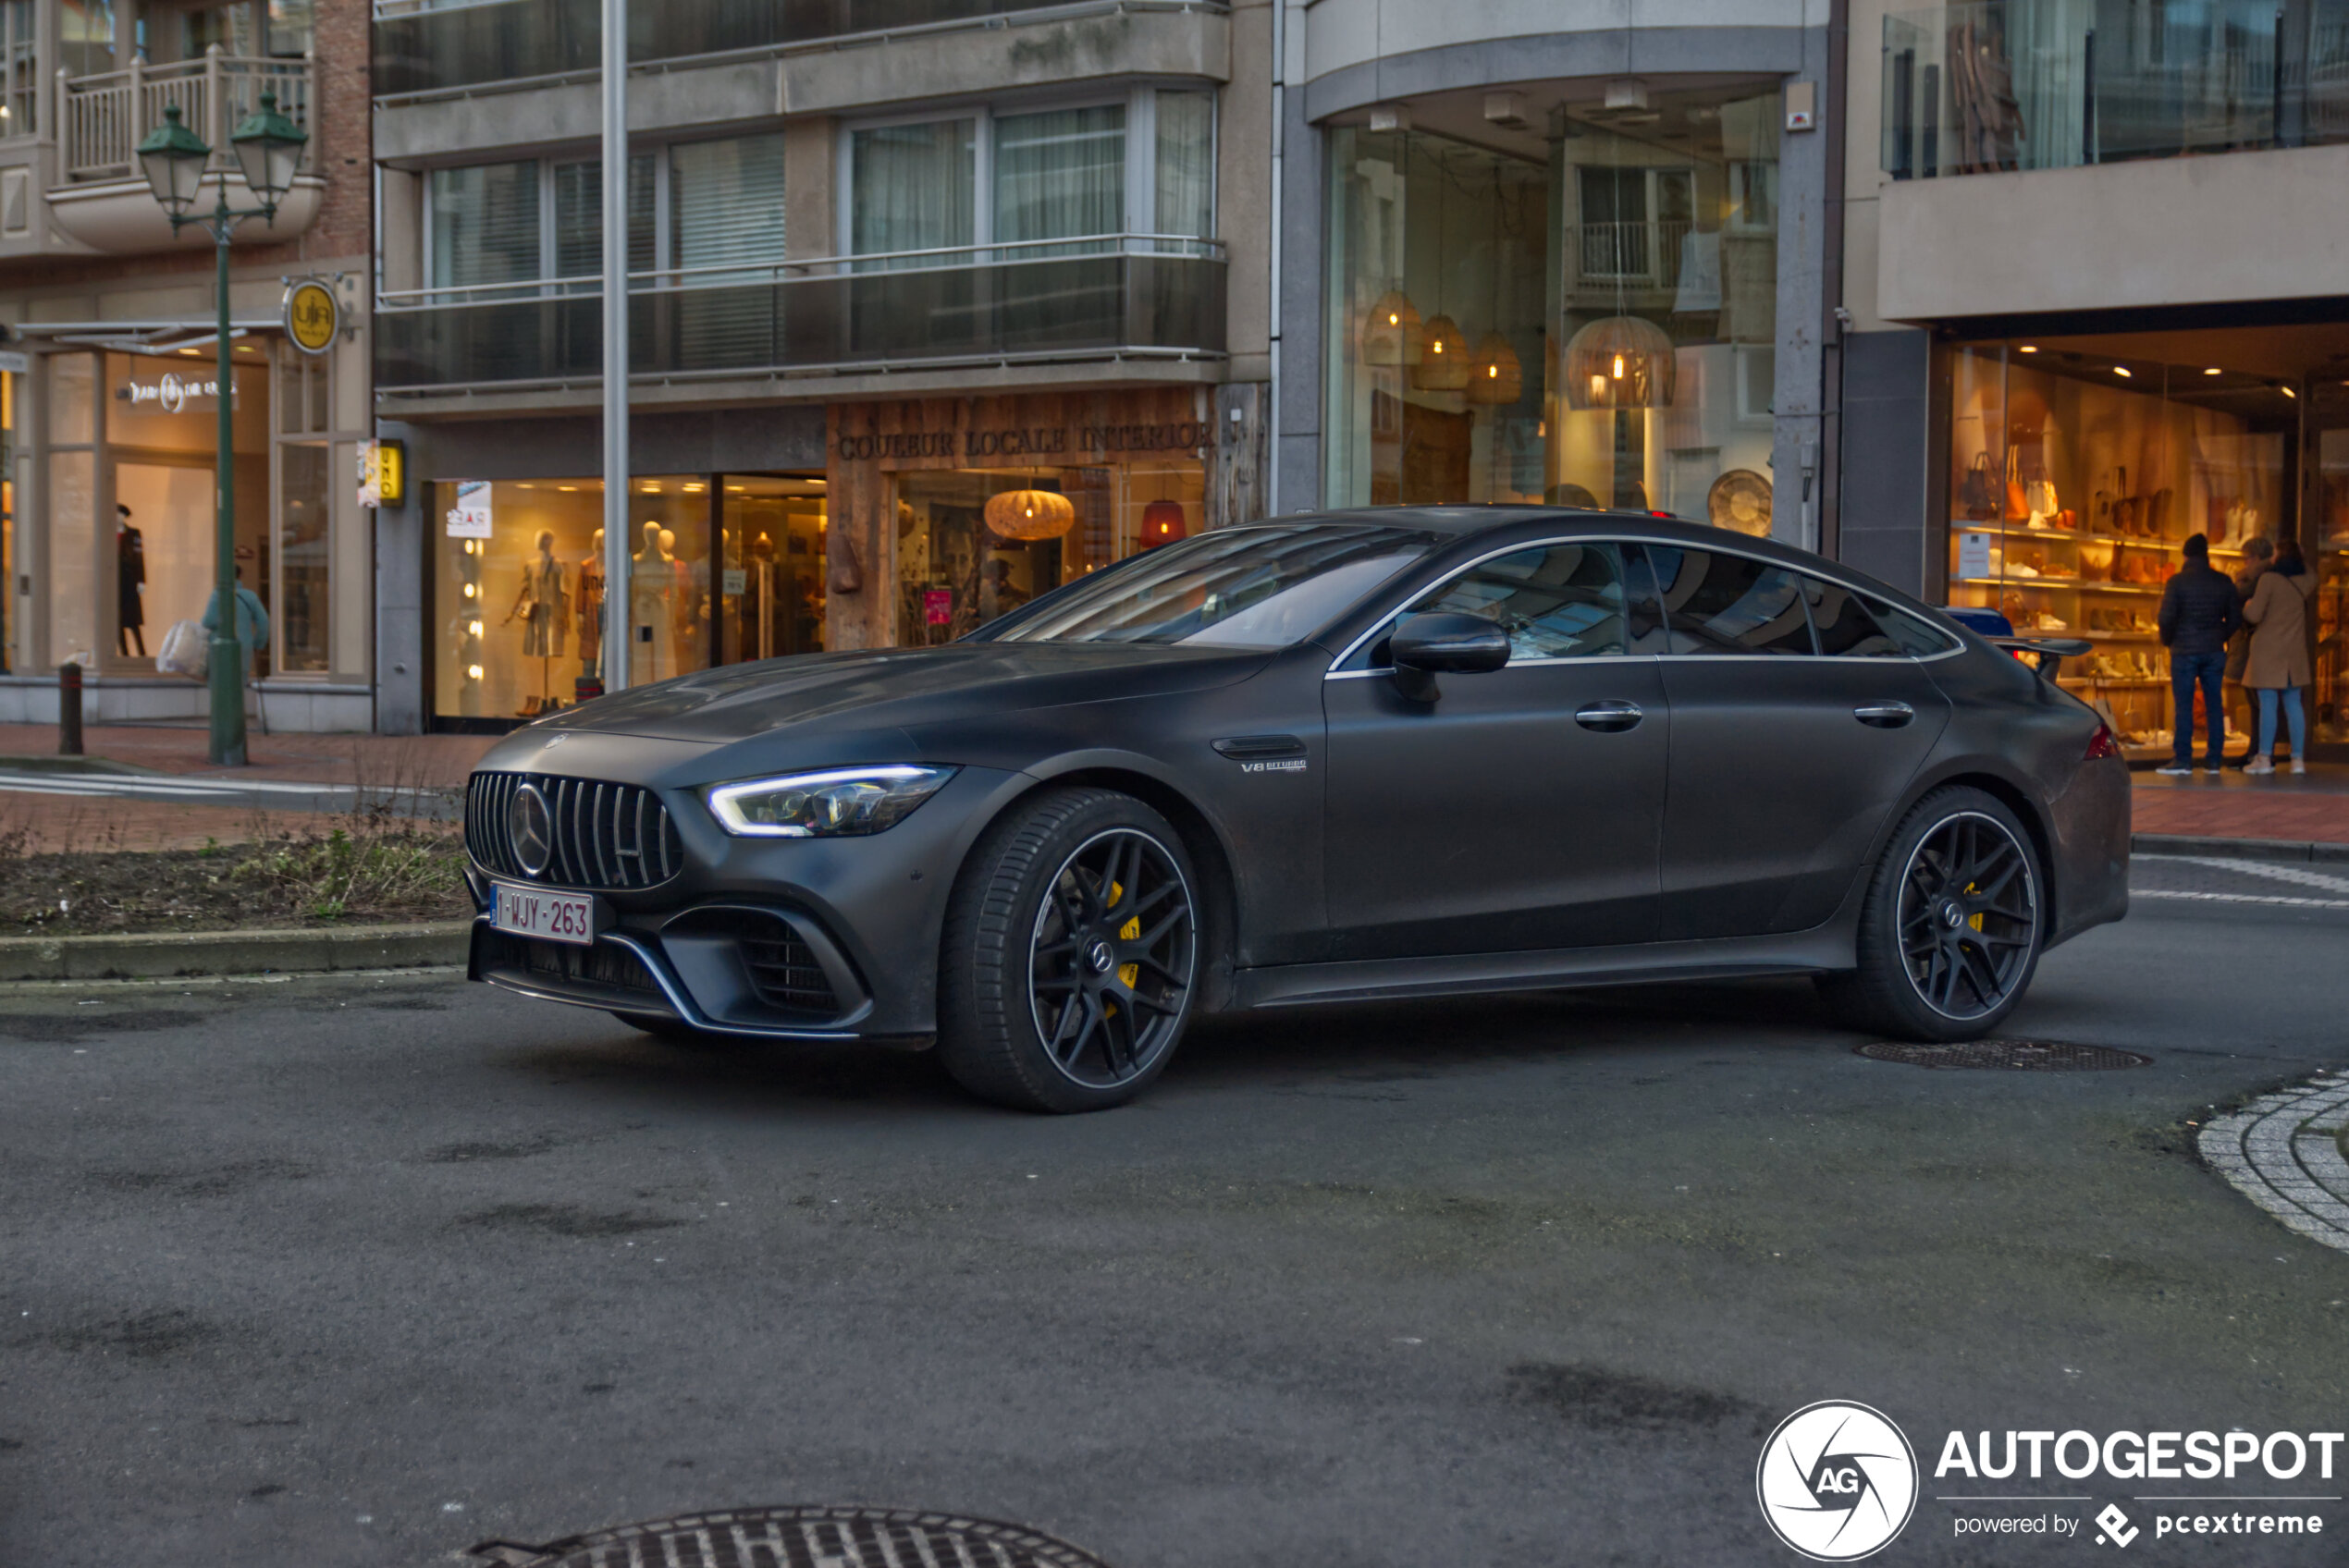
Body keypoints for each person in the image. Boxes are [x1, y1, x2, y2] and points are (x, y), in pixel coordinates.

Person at [2155, 532, 2242, 776]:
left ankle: (2183, 759)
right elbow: (2235, 618)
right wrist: (2219, 636)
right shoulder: (2223, 582)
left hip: (2183, 651)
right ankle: (2214, 760)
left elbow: (2166, 617)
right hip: (2214, 651)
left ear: (2185, 555)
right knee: (2215, 704)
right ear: (2206, 555)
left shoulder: (2177, 582)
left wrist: (2168, 640)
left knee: (2184, 705)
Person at [2241, 534, 2318, 775]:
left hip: (2268, 651)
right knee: (2294, 704)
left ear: (2279, 557)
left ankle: (2264, 758)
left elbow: (2254, 615)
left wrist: (2246, 606)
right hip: (2293, 653)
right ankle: (2297, 761)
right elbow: (2313, 574)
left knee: (2268, 705)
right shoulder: (2305, 582)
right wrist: (2299, 556)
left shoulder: (2269, 579)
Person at [201, 566, 272, 680]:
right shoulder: (250, 596)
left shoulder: (217, 595)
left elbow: (208, 622)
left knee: (219, 684)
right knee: (239, 682)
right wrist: (258, 644)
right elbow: (264, 622)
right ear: (240, 576)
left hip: (219, 650)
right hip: (244, 647)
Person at [115, 504, 147, 656]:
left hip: (129, 580)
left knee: (133, 621)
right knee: (118, 620)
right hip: (115, 582)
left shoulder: (134, 533)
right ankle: (124, 653)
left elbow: (139, 557)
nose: (118, 517)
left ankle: (141, 652)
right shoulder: (107, 533)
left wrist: (141, 580)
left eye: (120, 514)